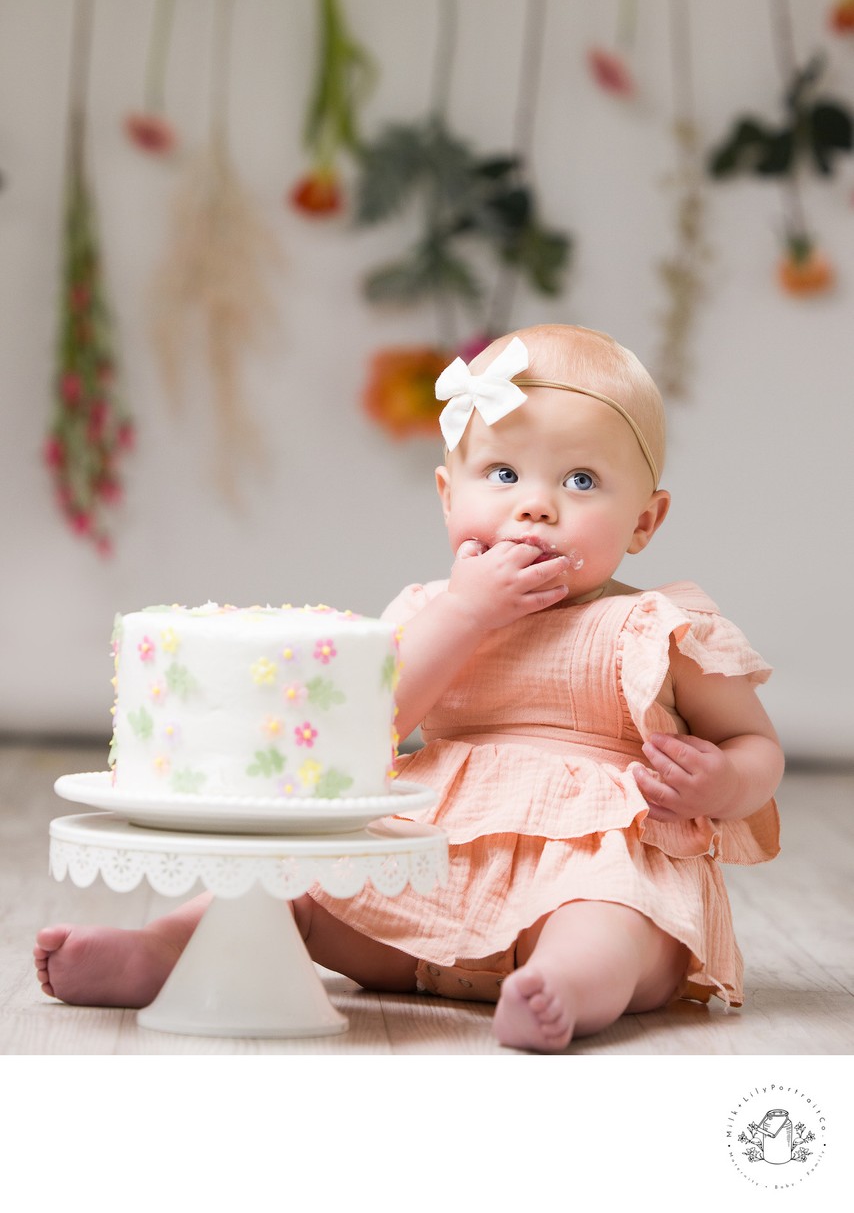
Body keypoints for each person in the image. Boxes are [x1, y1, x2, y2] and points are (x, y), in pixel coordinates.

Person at [34, 324, 783, 1052]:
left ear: (645, 521)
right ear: (447, 495)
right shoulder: (432, 610)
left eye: (580, 481)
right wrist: (468, 612)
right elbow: (369, 728)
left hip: (585, 865)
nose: (535, 506)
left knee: (614, 922)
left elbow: (755, 745)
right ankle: (163, 949)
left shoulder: (654, 627)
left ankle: (562, 987)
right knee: (288, 888)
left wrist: (721, 783)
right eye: (503, 474)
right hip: (427, 869)